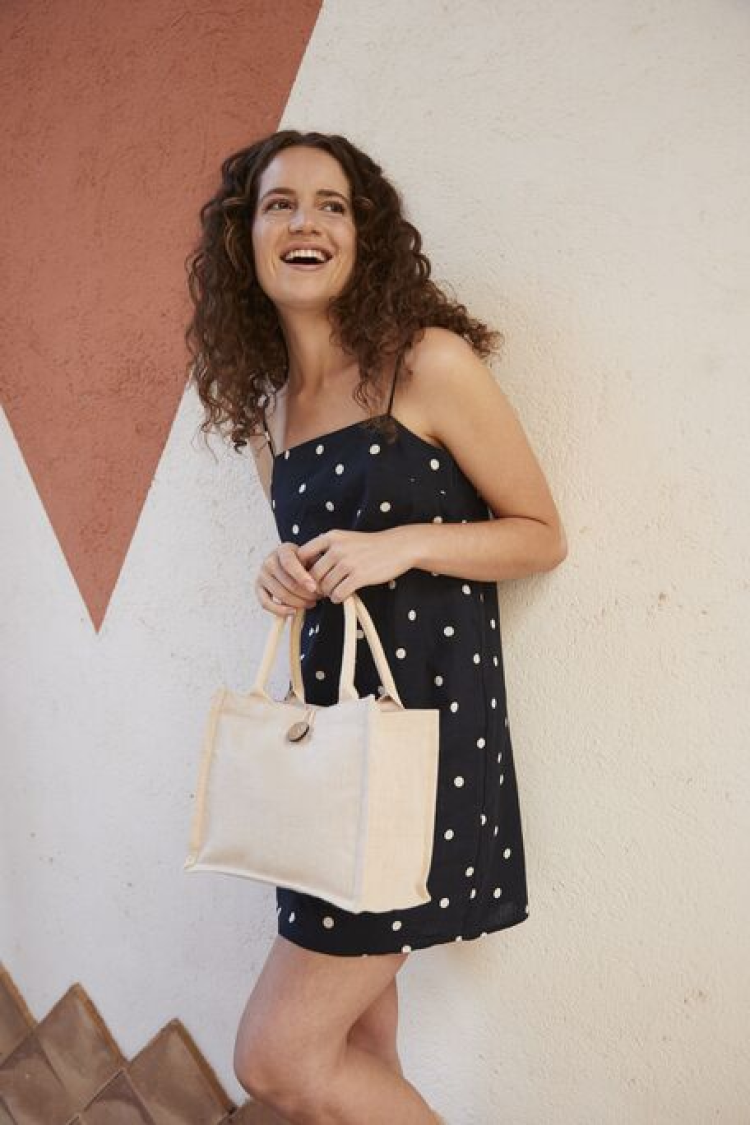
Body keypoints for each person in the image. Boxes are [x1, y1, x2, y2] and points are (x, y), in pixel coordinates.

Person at [186, 128, 567, 1124]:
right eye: (279, 204)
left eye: (333, 205)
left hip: (425, 747)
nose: (305, 221)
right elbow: (324, 570)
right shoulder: (272, 416)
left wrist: (403, 544)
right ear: (244, 238)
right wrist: (281, 575)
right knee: (356, 1050)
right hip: (329, 759)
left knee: (276, 1059)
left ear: (364, 237)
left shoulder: (426, 365)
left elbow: (541, 536)